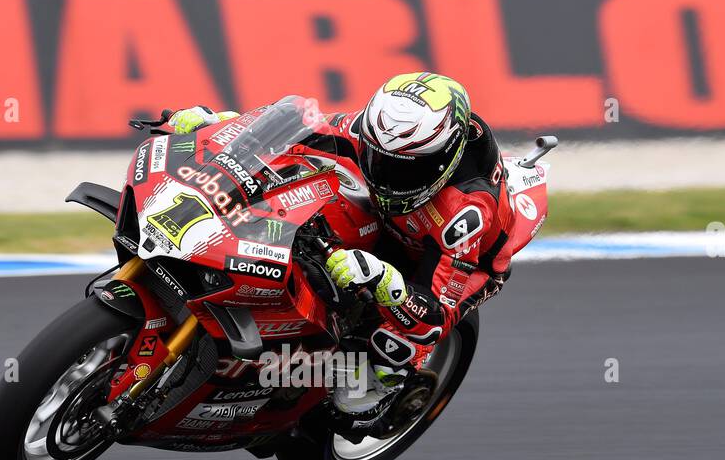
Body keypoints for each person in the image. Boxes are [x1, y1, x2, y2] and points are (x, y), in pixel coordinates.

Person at [165, 73, 519, 416]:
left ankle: (386, 385)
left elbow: (434, 316)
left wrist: (385, 281)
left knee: (391, 346)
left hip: (459, 263)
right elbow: (300, 130)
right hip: (391, 222)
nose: (382, 173)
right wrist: (221, 125)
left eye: (403, 169)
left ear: (443, 161)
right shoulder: (372, 131)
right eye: (376, 156)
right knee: (305, 191)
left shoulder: (468, 210)